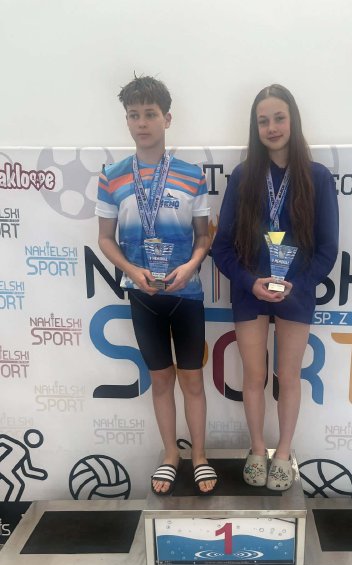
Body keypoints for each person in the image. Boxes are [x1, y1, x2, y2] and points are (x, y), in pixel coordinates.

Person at [211, 84, 338, 491]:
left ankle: (283, 452)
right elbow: (221, 247)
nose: (272, 127)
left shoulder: (317, 177)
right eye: (263, 120)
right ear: (255, 127)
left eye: (279, 118)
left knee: (289, 376)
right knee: (253, 376)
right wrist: (251, 282)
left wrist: (297, 285)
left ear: (292, 120)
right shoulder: (244, 177)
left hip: (296, 292)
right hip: (250, 291)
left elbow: (328, 249)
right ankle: (256, 448)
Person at [95, 75, 217, 496]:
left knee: (193, 382)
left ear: (167, 119)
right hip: (143, 297)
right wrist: (132, 270)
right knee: (161, 381)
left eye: (150, 114)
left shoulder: (191, 175)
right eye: (134, 115)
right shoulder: (111, 177)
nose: (142, 123)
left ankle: (199, 456)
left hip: (186, 295)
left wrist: (192, 265)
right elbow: (105, 239)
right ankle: (171, 454)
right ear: (126, 120)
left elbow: (203, 237)